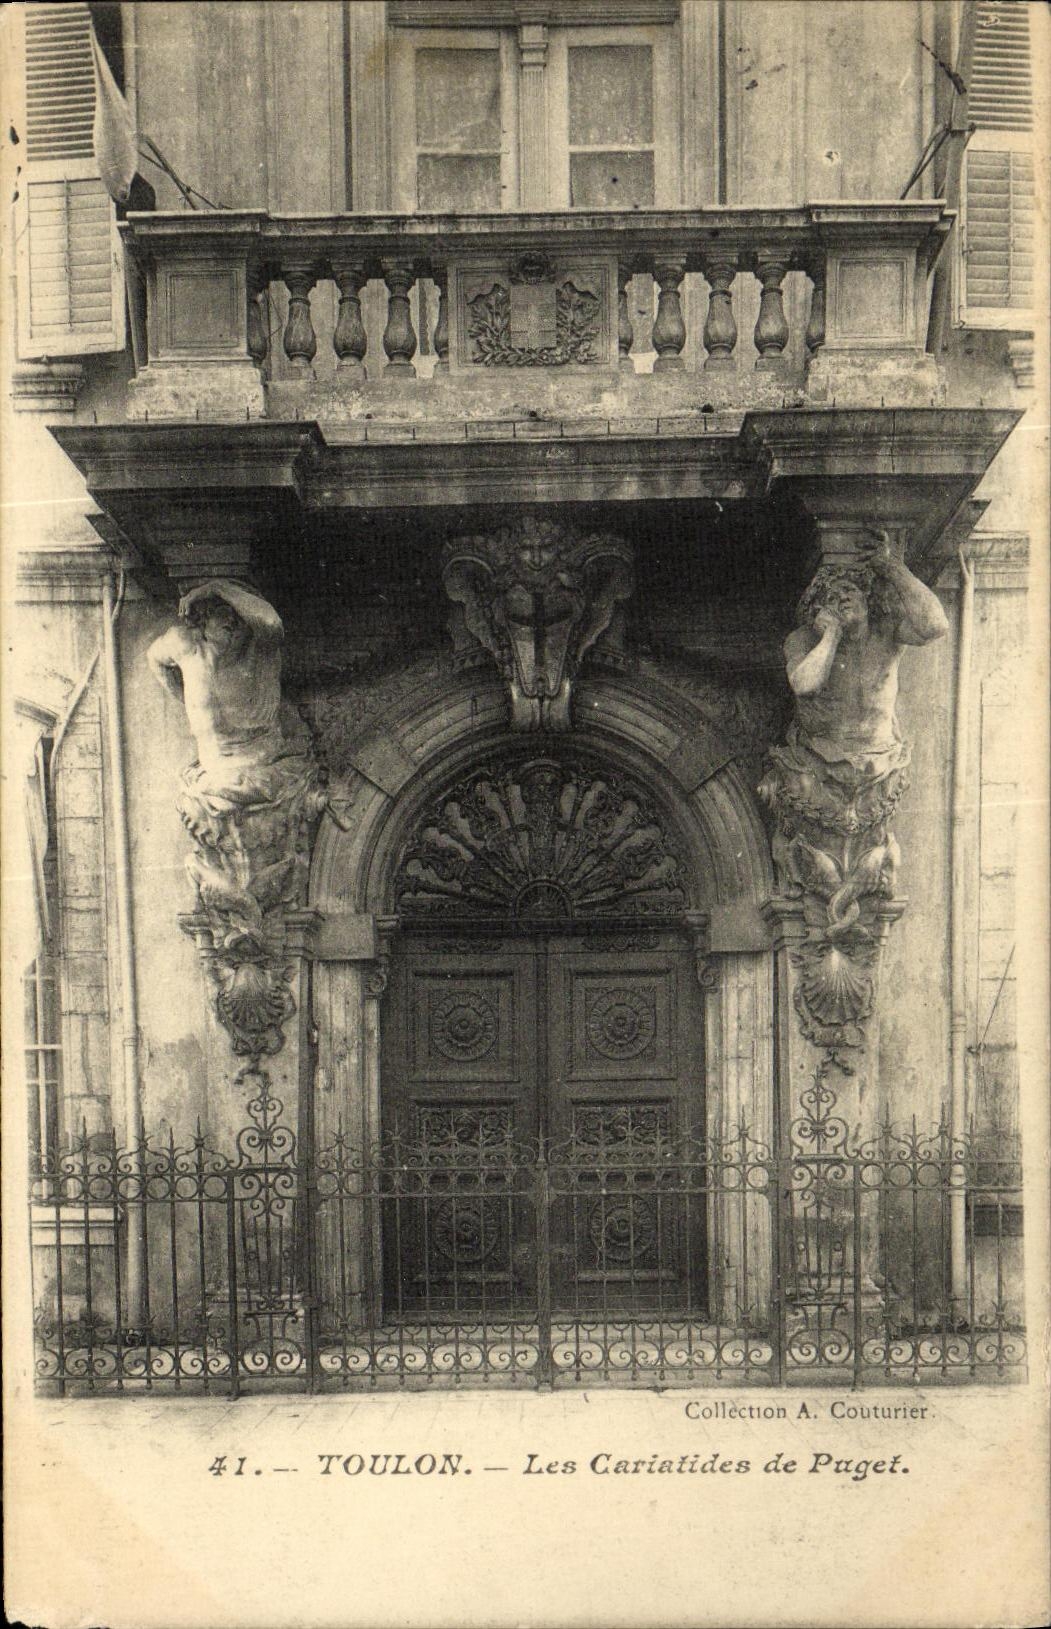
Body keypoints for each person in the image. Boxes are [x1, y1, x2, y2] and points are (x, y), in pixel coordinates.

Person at [147, 581, 285, 799]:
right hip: (213, 772)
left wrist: (217, 588)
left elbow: (271, 622)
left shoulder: (258, 652)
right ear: (203, 618)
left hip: (258, 770)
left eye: (239, 616)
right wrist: (182, 696)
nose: (232, 620)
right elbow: (154, 657)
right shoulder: (186, 648)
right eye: (223, 613)